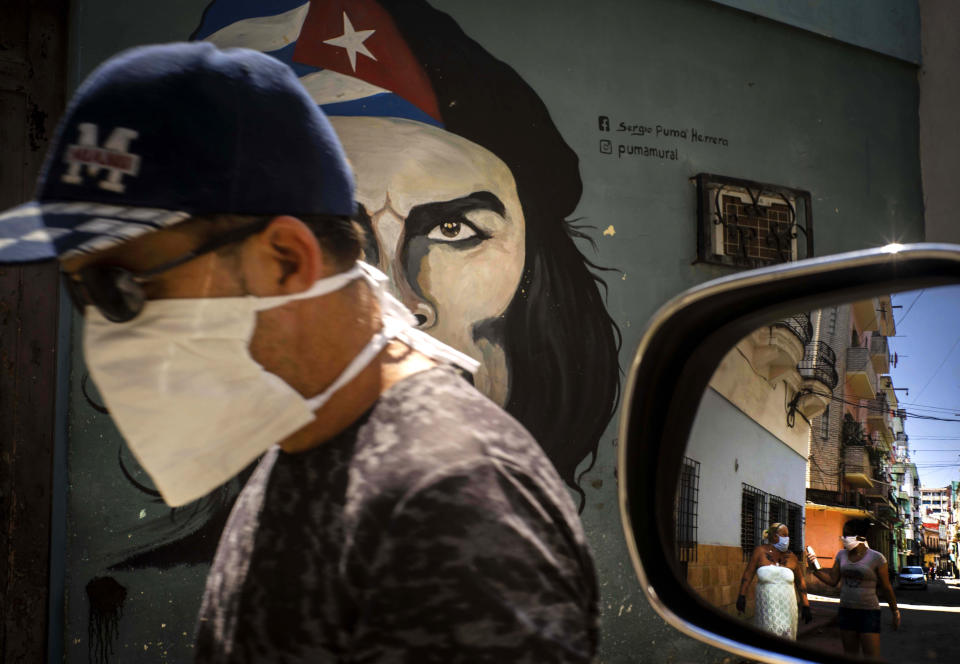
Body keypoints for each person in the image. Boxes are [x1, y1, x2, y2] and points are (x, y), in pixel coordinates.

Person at [0, 42, 599, 661]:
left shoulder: (451, 502)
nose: (101, 323)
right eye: (78, 288)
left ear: (285, 261)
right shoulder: (312, 437)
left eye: (119, 285)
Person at [806, 518, 899, 659]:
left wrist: (895, 611)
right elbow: (832, 580)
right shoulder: (841, 555)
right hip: (846, 611)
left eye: (847, 534)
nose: (844, 538)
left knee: (871, 656)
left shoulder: (877, 558)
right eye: (843, 534)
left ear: (860, 537)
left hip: (868, 612)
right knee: (850, 655)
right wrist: (814, 568)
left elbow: (886, 588)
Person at [735, 522, 812, 640]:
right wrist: (742, 595)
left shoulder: (792, 557)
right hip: (766, 608)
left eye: (788, 535)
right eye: (784, 535)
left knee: (785, 639)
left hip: (787, 608)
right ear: (775, 536)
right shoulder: (759, 552)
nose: (787, 539)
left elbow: (800, 582)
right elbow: (748, 574)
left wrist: (806, 605)